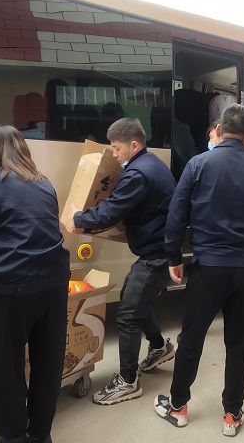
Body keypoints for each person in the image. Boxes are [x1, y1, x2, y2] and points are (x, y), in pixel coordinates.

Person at [155, 104, 244, 437]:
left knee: (191, 339)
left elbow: (176, 216)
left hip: (208, 269)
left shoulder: (197, 165)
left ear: (220, 131)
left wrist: (174, 257)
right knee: (238, 345)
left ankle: (178, 406)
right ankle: (232, 415)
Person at [0, 125, 70, 443]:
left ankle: (12, 436)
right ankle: (40, 433)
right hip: (55, 285)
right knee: (48, 363)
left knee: (5, 368)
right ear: (23, 149)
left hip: (13, 288)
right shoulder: (44, 182)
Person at [66, 117, 177, 405]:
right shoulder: (152, 164)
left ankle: (128, 381)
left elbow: (110, 212)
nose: (114, 154)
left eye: (116, 148)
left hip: (156, 255)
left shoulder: (138, 173)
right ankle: (160, 347)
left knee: (127, 314)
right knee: (135, 301)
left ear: (134, 145)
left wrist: (77, 218)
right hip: (160, 250)